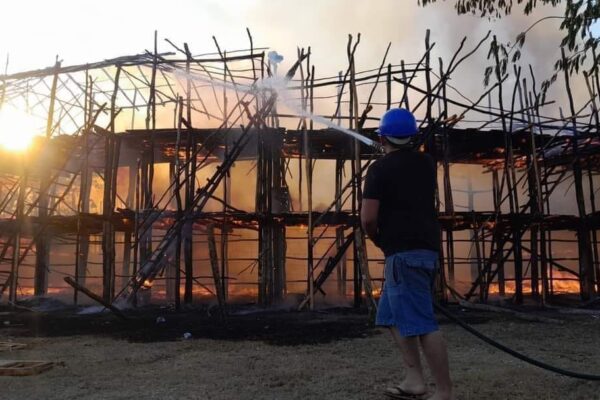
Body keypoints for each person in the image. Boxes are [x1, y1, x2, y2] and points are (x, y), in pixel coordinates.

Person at [361, 108, 453, 400]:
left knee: (423, 324)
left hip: (403, 255)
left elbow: (367, 218)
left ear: (381, 136)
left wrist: (376, 237)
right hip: (424, 250)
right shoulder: (426, 164)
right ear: (412, 136)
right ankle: (415, 380)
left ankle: (444, 391)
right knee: (391, 316)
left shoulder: (379, 170)